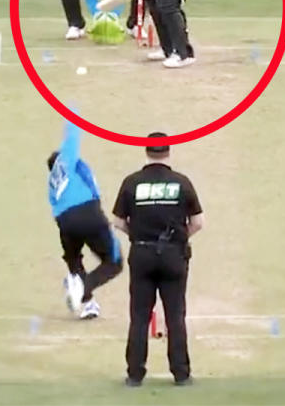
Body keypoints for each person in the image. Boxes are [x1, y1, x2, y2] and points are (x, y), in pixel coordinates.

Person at [111, 133, 204, 387]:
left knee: (139, 316)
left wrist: (138, 236)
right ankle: (181, 374)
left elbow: (118, 221)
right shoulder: (181, 183)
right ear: (168, 152)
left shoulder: (132, 183)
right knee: (175, 316)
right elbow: (198, 222)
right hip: (174, 255)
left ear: (146, 151)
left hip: (141, 254)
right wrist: (179, 239)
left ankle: (134, 375)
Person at [47, 116, 123, 319]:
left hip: (64, 221)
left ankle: (88, 304)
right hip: (88, 211)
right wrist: (71, 112)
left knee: (73, 259)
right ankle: (83, 287)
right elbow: (72, 137)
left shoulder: (52, 185)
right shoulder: (69, 162)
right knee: (114, 262)